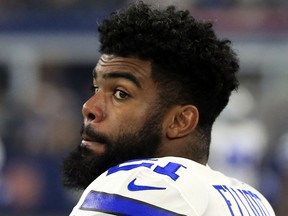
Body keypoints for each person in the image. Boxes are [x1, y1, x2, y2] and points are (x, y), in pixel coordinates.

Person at [62, 1, 275, 215]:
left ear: (180, 121)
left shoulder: (134, 186)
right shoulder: (254, 201)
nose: (89, 107)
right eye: (96, 88)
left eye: (121, 94)